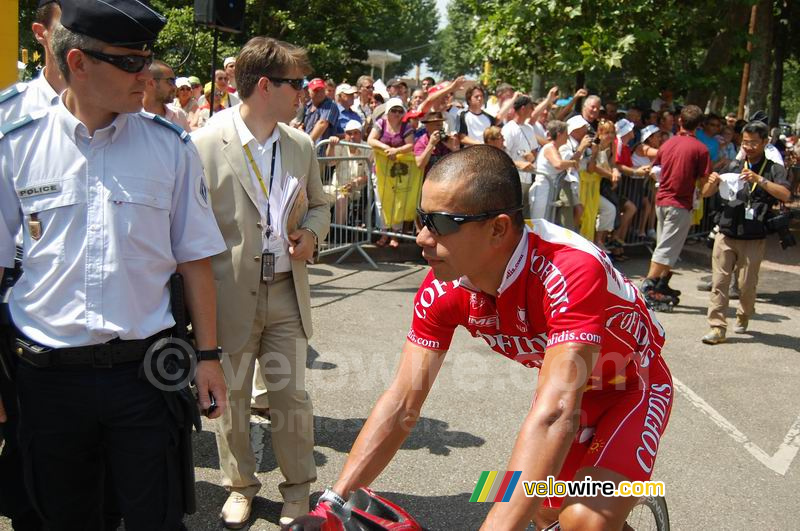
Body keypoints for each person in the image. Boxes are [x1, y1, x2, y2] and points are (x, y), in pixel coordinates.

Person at [296, 145, 672, 531]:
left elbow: (556, 413)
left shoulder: (570, 269)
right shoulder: (444, 286)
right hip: (569, 390)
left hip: (632, 388)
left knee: (583, 519)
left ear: (498, 228)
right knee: (541, 509)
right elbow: (403, 400)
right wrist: (332, 502)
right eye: (421, 218)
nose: (423, 237)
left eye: (440, 223)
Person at [0, 1, 228, 529]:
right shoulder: (17, 144)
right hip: (47, 379)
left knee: (156, 517)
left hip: (144, 377)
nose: (145, 74)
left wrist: (210, 356)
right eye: (129, 62)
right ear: (78, 62)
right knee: (61, 518)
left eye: (146, 59)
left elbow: (195, 259)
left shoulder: (170, 146)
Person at [191, 36, 330, 528]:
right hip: (228, 294)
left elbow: (320, 203)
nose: (306, 92)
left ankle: (298, 489)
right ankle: (239, 485)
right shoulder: (204, 143)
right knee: (230, 397)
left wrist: (312, 234)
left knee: (291, 396)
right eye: (297, 83)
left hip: (287, 291)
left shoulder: (300, 143)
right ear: (266, 86)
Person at [0, 2, 64, 529]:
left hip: (94, 321)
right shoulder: (8, 112)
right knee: (22, 429)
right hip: (16, 298)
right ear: (42, 33)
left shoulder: (130, 118)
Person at [699, 121, 791, 344]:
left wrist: (759, 180)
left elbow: (786, 195)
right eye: (745, 142)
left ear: (765, 143)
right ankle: (717, 326)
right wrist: (711, 182)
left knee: (746, 285)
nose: (749, 147)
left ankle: (744, 313)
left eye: (754, 143)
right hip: (726, 231)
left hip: (753, 236)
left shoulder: (773, 168)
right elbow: (706, 193)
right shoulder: (733, 164)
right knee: (719, 282)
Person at [641, 105, 714, 308]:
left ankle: (662, 283)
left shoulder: (668, 144)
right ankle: (648, 288)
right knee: (667, 248)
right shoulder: (700, 149)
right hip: (680, 203)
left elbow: (656, 168)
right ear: (699, 125)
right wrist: (713, 185)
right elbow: (705, 181)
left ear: (680, 121)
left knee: (667, 245)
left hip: (662, 200)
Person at [367, 97, 414, 248]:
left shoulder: (406, 127)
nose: (396, 113)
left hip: (398, 172)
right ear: (387, 111)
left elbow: (410, 145)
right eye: (393, 110)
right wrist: (386, 149)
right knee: (381, 202)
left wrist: (397, 150)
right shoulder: (380, 123)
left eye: (400, 111)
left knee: (397, 202)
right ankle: (384, 232)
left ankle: (395, 234)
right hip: (380, 170)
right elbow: (371, 140)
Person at [530, 120, 578, 221]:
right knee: (538, 223)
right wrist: (572, 163)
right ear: (559, 134)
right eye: (566, 134)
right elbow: (558, 164)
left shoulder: (555, 149)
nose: (567, 137)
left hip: (549, 192)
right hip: (541, 191)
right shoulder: (549, 148)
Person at [326, 120, 371, 224]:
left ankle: (338, 236)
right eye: (349, 133)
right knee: (315, 195)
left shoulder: (368, 148)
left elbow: (368, 175)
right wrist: (331, 146)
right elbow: (330, 162)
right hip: (335, 187)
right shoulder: (340, 145)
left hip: (355, 190)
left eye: (356, 133)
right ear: (345, 134)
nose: (352, 136)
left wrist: (354, 183)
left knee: (341, 198)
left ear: (361, 134)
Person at [502, 95, 539, 207]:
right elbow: (503, 154)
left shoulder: (529, 128)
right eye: (530, 107)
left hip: (528, 178)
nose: (532, 110)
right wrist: (518, 163)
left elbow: (534, 151)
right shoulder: (508, 129)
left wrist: (532, 156)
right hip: (513, 178)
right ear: (523, 109)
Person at [142, 59, 190, 131]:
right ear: (151, 83)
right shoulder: (130, 118)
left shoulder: (178, 115)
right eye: (171, 81)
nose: (175, 87)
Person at [414, 111, 459, 177]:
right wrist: (431, 145)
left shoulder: (447, 140)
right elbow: (419, 164)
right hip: (429, 180)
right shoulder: (421, 142)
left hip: (446, 178)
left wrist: (454, 150)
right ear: (427, 126)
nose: (440, 128)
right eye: (437, 125)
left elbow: (458, 164)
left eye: (441, 125)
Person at [303, 77, 339, 144]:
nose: (319, 93)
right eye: (316, 90)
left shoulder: (330, 104)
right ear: (309, 91)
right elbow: (302, 125)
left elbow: (322, 123)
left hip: (321, 151)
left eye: (322, 90)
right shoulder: (308, 106)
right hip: (308, 148)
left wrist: (307, 144)